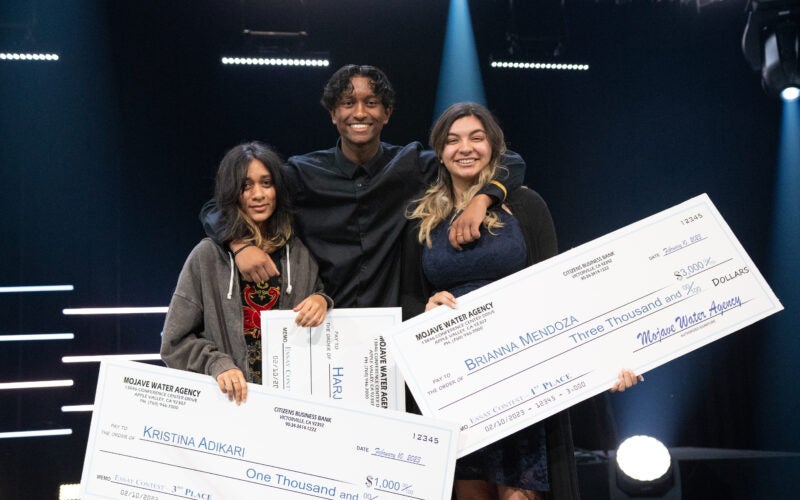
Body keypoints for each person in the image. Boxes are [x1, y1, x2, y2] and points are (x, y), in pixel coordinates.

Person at [401, 102, 641, 500]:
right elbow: (408, 294)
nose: (465, 148)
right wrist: (424, 308)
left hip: (519, 373)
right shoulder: (422, 216)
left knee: (519, 495)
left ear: (494, 148)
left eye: (477, 138)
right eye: (452, 140)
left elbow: (560, 289)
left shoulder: (525, 204)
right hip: (455, 380)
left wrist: (610, 355)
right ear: (439, 152)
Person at [201, 64, 527, 309]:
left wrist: (483, 198)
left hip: (397, 323)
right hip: (321, 322)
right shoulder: (301, 173)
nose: (359, 112)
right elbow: (218, 207)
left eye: (371, 103)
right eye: (347, 103)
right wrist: (240, 244)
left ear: (387, 114)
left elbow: (508, 160)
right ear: (333, 113)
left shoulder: (413, 165)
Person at [162, 142, 332, 405]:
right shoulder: (207, 256)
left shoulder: (299, 253)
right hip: (230, 406)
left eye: (266, 183)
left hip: (289, 407)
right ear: (232, 193)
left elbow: (317, 302)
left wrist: (322, 301)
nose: (258, 194)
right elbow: (174, 343)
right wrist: (218, 364)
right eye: (246, 186)